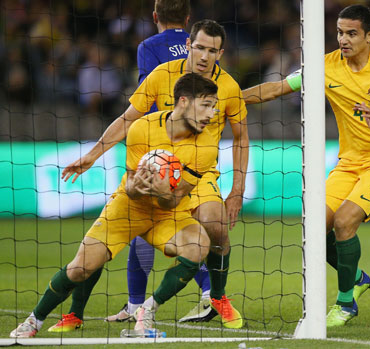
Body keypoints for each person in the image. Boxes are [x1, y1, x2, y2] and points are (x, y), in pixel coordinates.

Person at [61, 19, 248, 329]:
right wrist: (92, 155)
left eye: (212, 51)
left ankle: (217, 296)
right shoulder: (162, 75)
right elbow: (127, 118)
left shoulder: (229, 87)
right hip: (155, 170)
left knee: (216, 226)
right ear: (189, 45)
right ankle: (79, 311)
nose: (204, 56)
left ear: (221, 53)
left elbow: (241, 137)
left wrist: (237, 189)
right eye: (199, 47)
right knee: (111, 233)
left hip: (198, 174)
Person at [243, 4, 370, 327]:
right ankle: (356, 277)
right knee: (314, 226)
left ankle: (345, 303)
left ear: (369, 35)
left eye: (352, 33)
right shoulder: (323, 67)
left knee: (344, 222)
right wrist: (232, 98)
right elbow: (277, 88)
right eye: (340, 32)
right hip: (349, 163)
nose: (343, 39)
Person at [10, 73, 220, 338]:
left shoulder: (207, 145)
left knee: (199, 244)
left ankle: (148, 310)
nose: (211, 114)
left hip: (168, 213)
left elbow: (176, 199)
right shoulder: (142, 128)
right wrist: (139, 188)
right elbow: (132, 189)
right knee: (80, 268)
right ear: (184, 101)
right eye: (206, 105)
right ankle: (34, 320)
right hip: (129, 207)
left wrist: (162, 192)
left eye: (214, 106)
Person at [98, 0, 216, 325]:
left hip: (158, 146)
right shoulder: (203, 50)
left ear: (154, 17)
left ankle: (136, 302)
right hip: (194, 146)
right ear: (188, 19)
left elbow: (143, 100)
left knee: (140, 226)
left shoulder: (149, 47)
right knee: (191, 228)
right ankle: (210, 293)